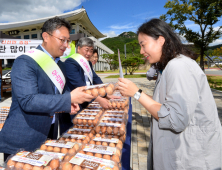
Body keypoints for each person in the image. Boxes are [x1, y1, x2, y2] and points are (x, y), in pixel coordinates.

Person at [118, 18, 222, 170]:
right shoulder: (170, 66)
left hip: (192, 159)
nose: (141, 51)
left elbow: (176, 119)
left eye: (143, 44)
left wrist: (137, 93)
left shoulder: (179, 66)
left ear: (160, 40)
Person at [0, 17, 94, 161]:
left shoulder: (60, 65)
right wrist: (68, 98)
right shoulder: (25, 61)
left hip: (49, 134)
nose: (66, 45)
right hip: (23, 138)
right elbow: (28, 100)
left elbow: (59, 94)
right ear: (46, 37)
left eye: (68, 41)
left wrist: (68, 105)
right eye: (62, 40)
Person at [65, 37, 112, 109]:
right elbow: (79, 85)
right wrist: (99, 99)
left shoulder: (88, 63)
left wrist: (105, 93)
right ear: (78, 48)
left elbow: (95, 78)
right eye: (86, 50)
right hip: (75, 104)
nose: (89, 53)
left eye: (91, 51)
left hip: (89, 99)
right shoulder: (71, 62)